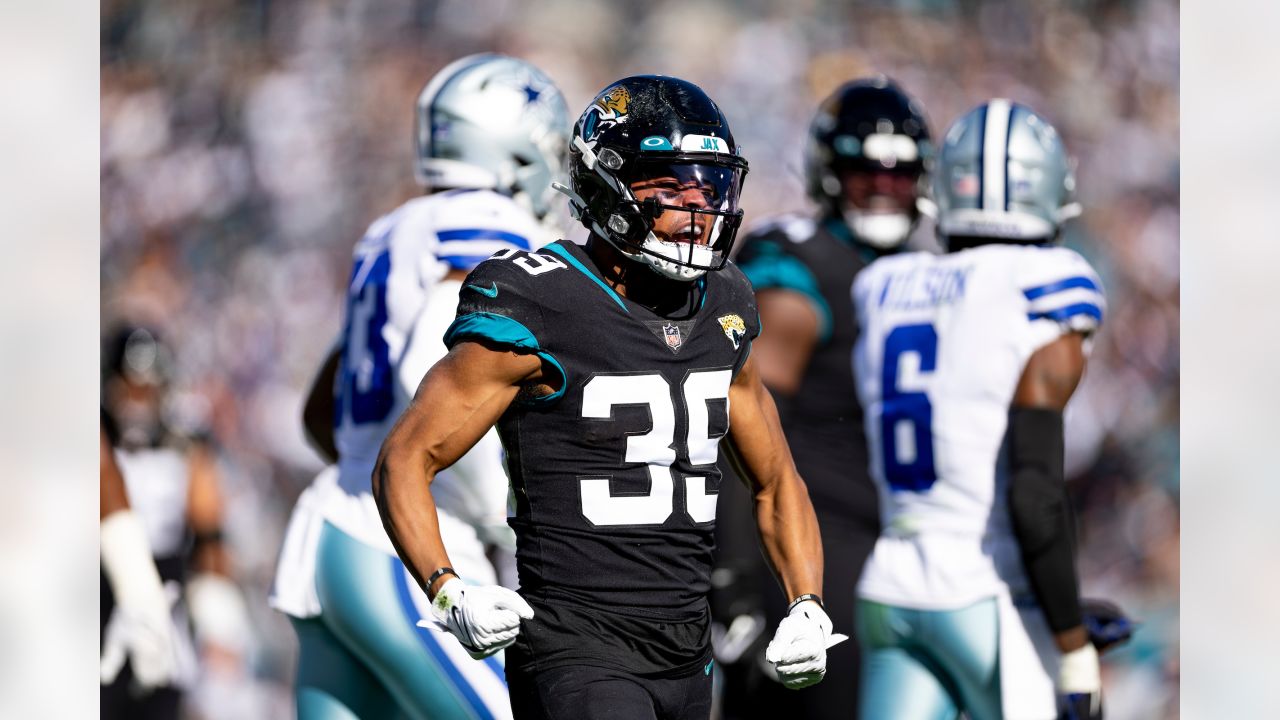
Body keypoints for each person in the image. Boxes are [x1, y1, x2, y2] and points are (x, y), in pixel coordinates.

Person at [373, 75, 837, 720]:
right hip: (575, 648)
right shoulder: (542, 299)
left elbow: (776, 479)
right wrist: (447, 590)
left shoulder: (726, 302)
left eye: (710, 186)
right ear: (605, 187)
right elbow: (405, 457)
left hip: (685, 648)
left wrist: (806, 603)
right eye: (671, 187)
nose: (698, 210)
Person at [268, 53, 571, 720]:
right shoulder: (491, 224)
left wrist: (371, 469)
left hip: (332, 532)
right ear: (516, 150)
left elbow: (324, 409)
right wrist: (498, 508)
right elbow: (420, 372)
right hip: (403, 550)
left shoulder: (390, 231)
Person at [851, 99, 1107, 719]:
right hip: (990, 595)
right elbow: (1034, 496)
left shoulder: (885, 285)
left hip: (890, 586)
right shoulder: (1047, 284)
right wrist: (1073, 642)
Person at [713, 76, 933, 719]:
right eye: (867, 172)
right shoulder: (801, 266)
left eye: (901, 173)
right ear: (830, 172)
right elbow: (739, 425)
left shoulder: (923, 269)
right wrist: (735, 582)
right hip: (810, 545)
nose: (886, 188)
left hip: (898, 545)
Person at [100, 325, 250, 719]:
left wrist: (219, 613)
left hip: (164, 606)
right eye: (129, 387)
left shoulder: (185, 446)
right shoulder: (96, 438)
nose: (137, 401)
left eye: (147, 388)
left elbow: (210, 532)